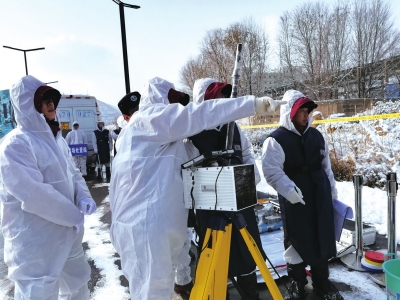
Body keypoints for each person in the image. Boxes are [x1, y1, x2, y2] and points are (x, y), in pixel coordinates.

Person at [109, 77, 284, 300]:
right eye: (173, 103)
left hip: (153, 229)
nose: (177, 109)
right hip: (147, 230)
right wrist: (252, 104)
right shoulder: (150, 120)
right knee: (152, 292)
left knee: (154, 289)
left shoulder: (159, 139)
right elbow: (198, 114)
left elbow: (188, 163)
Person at [0, 75, 97, 300]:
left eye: (52, 100)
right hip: (36, 241)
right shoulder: (16, 145)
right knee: (39, 293)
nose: (51, 105)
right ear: (29, 106)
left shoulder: (57, 139)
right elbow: (35, 195)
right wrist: (74, 215)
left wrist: (83, 196)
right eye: (44, 101)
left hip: (67, 235)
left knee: (78, 287)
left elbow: (73, 173)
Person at [186, 78, 267, 300]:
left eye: (222, 97)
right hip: (212, 211)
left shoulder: (234, 129)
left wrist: (248, 180)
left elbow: (248, 155)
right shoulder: (192, 134)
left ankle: (251, 295)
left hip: (241, 203)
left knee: (247, 253)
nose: (220, 101)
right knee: (217, 259)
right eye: (215, 97)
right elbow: (188, 173)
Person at [261, 90, 343, 300]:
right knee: (296, 239)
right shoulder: (276, 140)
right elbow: (272, 171)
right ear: (290, 112)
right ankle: (297, 284)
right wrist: (288, 190)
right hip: (295, 198)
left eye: (308, 111)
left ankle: (322, 284)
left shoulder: (316, 135)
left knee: (321, 236)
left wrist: (332, 190)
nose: (306, 115)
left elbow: (326, 166)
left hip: (319, 193)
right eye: (302, 111)